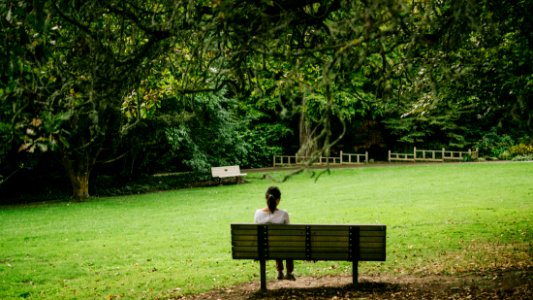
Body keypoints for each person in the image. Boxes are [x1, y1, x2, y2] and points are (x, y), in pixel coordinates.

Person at [254, 186, 295, 281]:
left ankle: (279, 271)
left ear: (266, 198)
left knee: (274, 242)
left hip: (264, 248)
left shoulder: (258, 213)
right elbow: (289, 233)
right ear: (278, 200)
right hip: (282, 246)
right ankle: (289, 272)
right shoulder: (284, 214)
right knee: (285, 242)